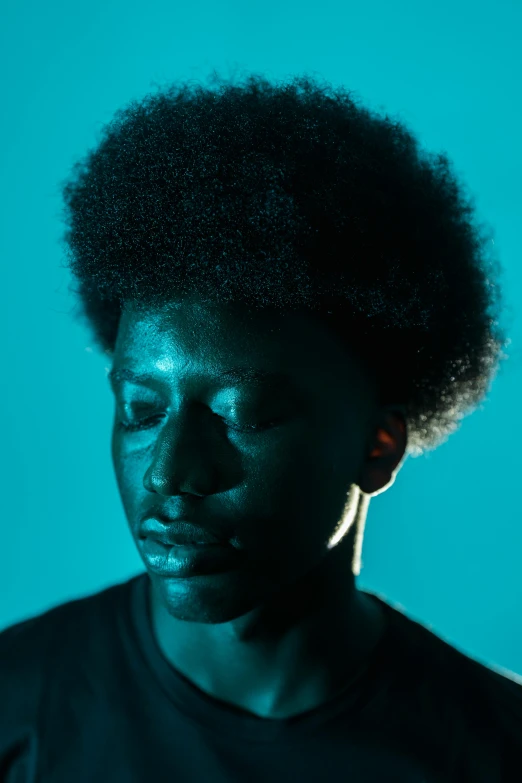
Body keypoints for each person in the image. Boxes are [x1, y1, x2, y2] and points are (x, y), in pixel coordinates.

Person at [1, 70, 520, 782]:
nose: (171, 472)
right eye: (141, 411)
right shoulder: (16, 713)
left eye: (242, 415)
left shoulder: (495, 750)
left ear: (378, 446)